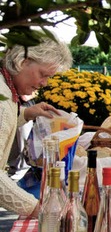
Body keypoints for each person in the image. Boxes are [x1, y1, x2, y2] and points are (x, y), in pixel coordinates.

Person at [0, 36, 73, 216]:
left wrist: (26, 114)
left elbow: (4, 124)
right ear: (22, 62)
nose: (44, 83)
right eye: (43, 74)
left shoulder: (5, 91)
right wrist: (35, 208)